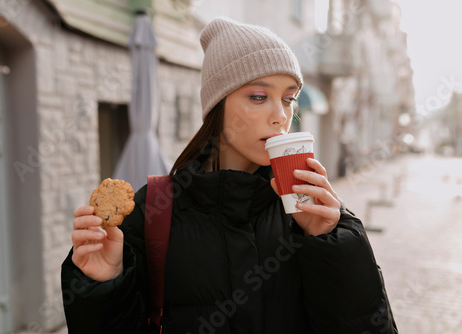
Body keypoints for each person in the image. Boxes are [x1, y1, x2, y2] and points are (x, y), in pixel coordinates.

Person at [61, 17, 397, 334]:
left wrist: (333, 243)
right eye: (258, 96)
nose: (281, 116)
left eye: (289, 98)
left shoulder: (316, 212)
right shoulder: (153, 210)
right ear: (217, 106)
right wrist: (103, 286)